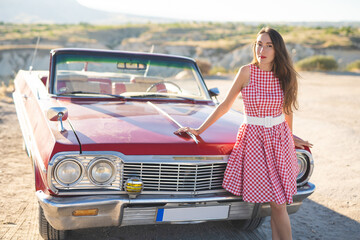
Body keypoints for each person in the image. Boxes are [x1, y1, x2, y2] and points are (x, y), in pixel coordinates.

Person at [174, 27, 312, 240]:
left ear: (278, 50)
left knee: (279, 202)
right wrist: (200, 129)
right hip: (254, 140)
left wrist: (291, 137)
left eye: (268, 45)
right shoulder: (246, 71)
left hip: (279, 139)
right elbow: (224, 106)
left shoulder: (284, 75)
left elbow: (287, 112)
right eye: (259, 44)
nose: (262, 50)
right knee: (273, 201)